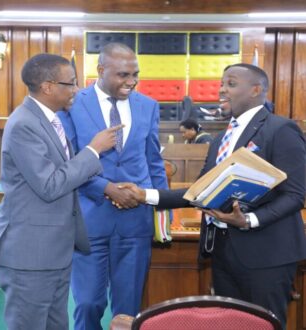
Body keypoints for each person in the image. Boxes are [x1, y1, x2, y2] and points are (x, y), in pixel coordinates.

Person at [121, 63, 306, 328]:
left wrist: (250, 220)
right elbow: (198, 192)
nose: (221, 90)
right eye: (221, 84)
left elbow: (296, 195)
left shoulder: (281, 129)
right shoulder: (221, 138)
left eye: (230, 84)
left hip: (267, 254)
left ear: (256, 90)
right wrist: (145, 195)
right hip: (222, 252)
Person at [0, 53, 123, 330]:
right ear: (48, 86)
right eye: (71, 83)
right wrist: (93, 150)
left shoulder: (51, 119)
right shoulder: (24, 124)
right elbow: (49, 185)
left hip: (53, 250)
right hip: (29, 254)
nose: (76, 90)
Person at [65, 42, 168, 330]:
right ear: (100, 70)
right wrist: (107, 189)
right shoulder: (73, 104)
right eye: (123, 75)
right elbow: (70, 162)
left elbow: (153, 161)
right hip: (90, 218)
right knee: (87, 304)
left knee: (128, 310)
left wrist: (163, 213)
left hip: (136, 221)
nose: (131, 82)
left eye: (135, 74)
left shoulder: (148, 105)